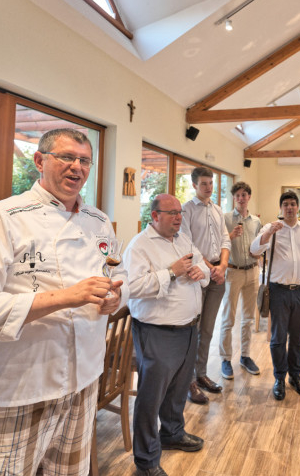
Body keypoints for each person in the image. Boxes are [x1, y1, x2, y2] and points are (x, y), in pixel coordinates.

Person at [0, 128, 124, 476]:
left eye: (85, 160)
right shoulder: (1, 218)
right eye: (66, 157)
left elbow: (117, 273)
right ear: (40, 161)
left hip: (83, 382)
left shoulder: (99, 222)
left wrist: (115, 297)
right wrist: (65, 297)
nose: (77, 167)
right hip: (18, 389)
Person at [123, 194, 210, 476]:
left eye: (180, 212)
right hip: (157, 331)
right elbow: (132, 287)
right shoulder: (140, 246)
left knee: (178, 389)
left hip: (188, 328)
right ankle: (146, 461)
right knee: (151, 397)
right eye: (172, 213)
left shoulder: (183, 239)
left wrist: (201, 272)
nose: (178, 218)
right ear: (155, 216)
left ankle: (172, 433)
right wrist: (170, 273)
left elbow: (204, 265)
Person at [250, 190, 300, 401]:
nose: (289, 207)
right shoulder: (271, 228)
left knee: (297, 338)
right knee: (278, 337)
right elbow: (254, 250)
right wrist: (269, 233)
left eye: (293, 204)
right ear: (280, 208)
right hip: (278, 291)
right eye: (285, 204)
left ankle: (295, 376)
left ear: (298, 207)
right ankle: (279, 377)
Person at [180, 167, 231, 404]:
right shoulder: (186, 210)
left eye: (210, 183)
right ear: (194, 185)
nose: (208, 187)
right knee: (194, 329)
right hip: (198, 274)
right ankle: (188, 380)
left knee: (209, 328)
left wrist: (223, 266)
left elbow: (225, 239)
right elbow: (188, 244)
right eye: (203, 184)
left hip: (218, 274)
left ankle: (201, 374)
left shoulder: (218, 209)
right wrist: (211, 269)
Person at [219, 181, 262, 379]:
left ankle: (245, 356)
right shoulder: (225, 219)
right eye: (237, 195)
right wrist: (230, 235)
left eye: (244, 194)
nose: (241, 198)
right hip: (233, 272)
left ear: (249, 197)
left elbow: (260, 244)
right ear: (234, 198)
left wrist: (259, 254)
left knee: (248, 318)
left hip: (252, 272)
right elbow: (218, 243)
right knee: (228, 318)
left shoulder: (256, 221)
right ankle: (225, 359)